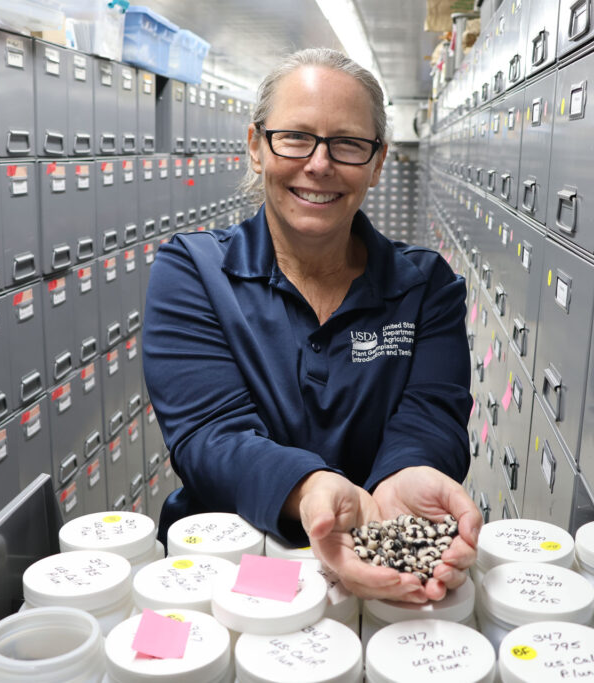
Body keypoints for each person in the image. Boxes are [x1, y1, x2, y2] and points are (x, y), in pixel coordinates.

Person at [142, 48, 479, 603]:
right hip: (233, 564)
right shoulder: (194, 272)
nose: (319, 164)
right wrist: (311, 489)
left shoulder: (425, 285)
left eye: (347, 143)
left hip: (384, 550)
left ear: (378, 161)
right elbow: (208, 433)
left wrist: (405, 477)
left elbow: (432, 414)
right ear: (256, 146)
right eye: (295, 137)